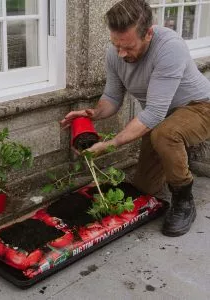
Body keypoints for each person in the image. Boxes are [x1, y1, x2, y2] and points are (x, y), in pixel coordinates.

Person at [60, 0, 210, 237]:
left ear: (148, 33)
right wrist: (94, 113)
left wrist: (111, 144)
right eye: (116, 45)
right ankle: (178, 157)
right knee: (145, 188)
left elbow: (154, 113)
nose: (121, 53)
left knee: (165, 133)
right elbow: (112, 96)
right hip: (164, 118)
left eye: (128, 47)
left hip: (201, 107)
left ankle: (184, 200)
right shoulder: (115, 53)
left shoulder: (169, 47)